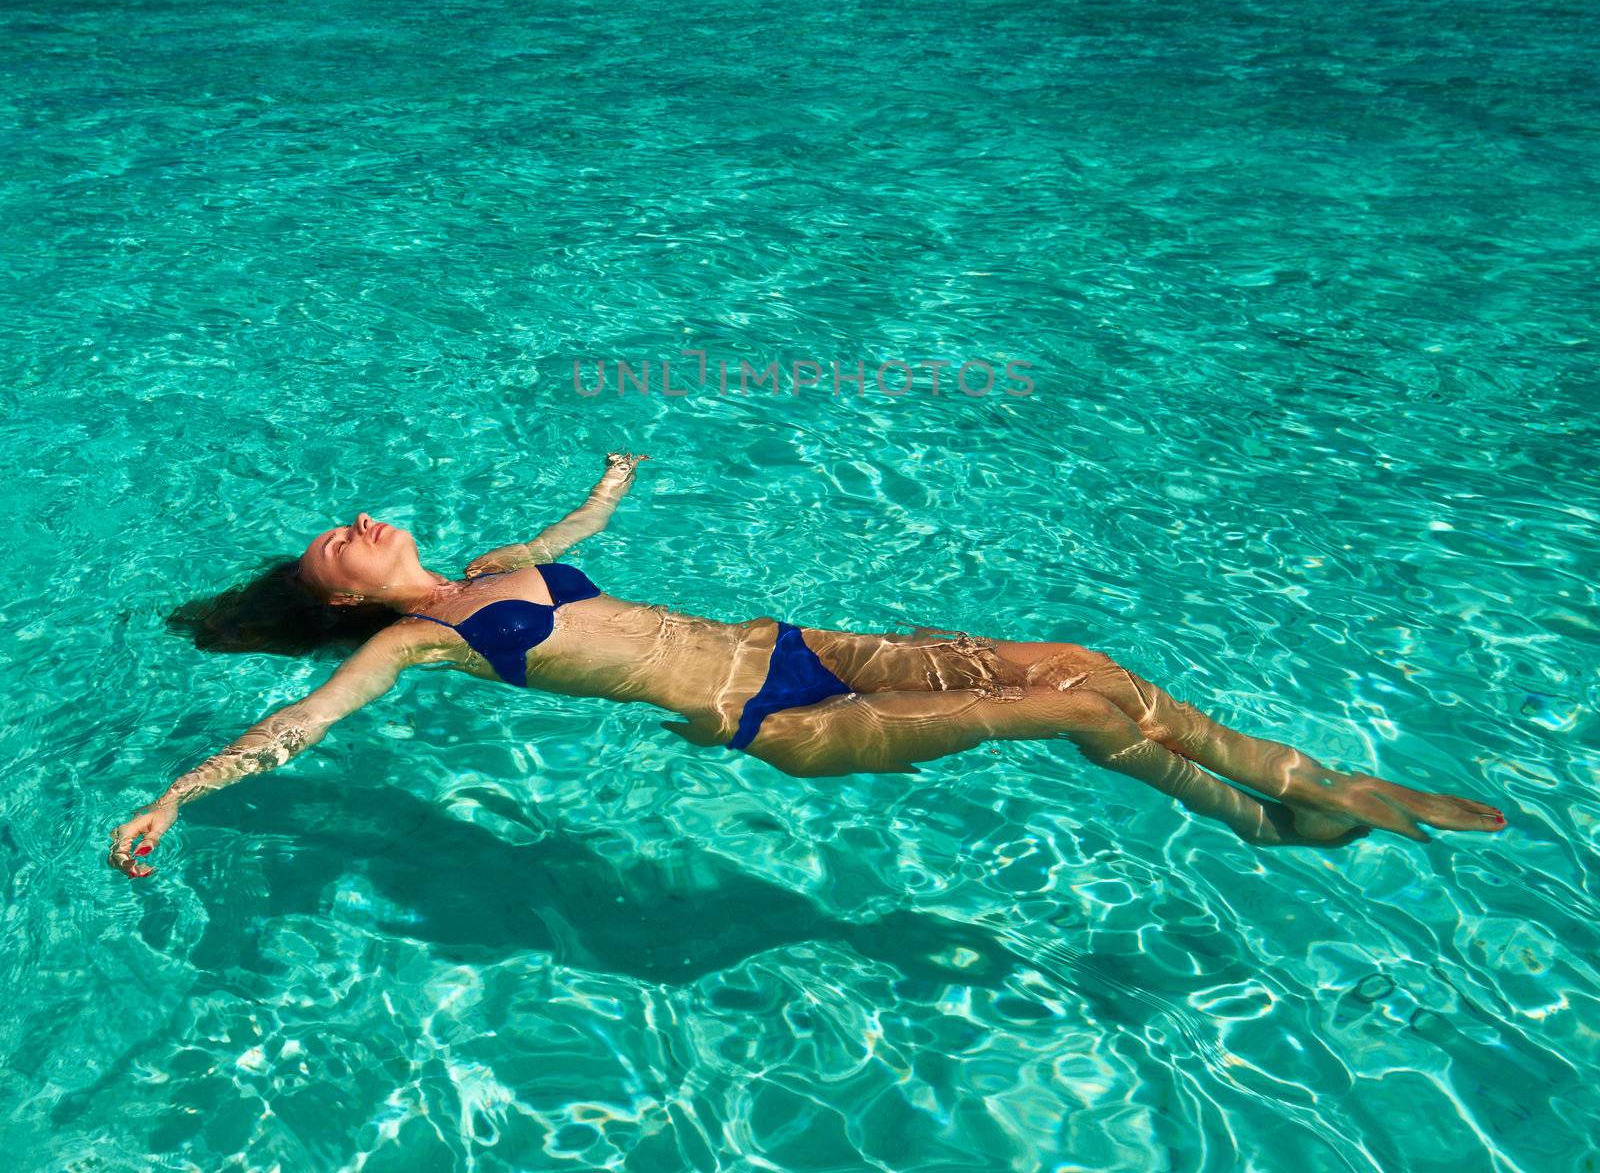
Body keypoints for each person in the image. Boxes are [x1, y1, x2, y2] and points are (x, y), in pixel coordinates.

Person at [109, 451, 1506, 878]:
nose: (349, 526)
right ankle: (1301, 783)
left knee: (1079, 669)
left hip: (797, 645)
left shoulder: (486, 572)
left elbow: (572, 537)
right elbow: (309, 716)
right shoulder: (422, 638)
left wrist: (605, 492)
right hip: (773, 721)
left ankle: (1274, 822)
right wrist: (187, 790)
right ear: (346, 600)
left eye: (345, 527)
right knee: (1069, 708)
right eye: (333, 549)